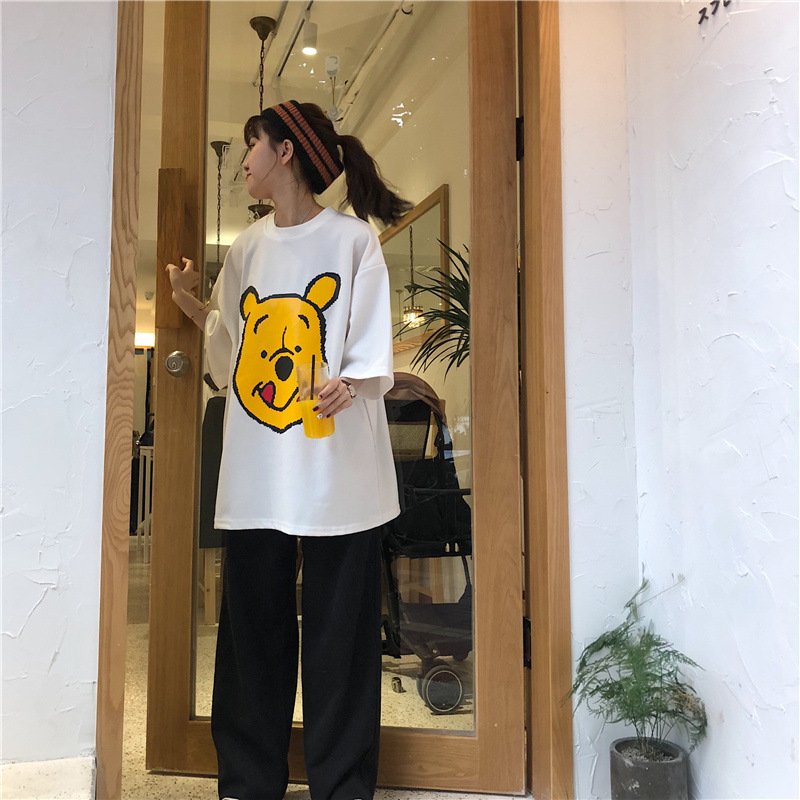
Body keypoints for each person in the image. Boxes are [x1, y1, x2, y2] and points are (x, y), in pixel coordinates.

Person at [166, 99, 414, 800]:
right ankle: (248, 783)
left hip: (336, 467)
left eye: (253, 143)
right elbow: (231, 346)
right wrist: (187, 301)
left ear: (286, 153)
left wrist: (351, 382)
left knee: (341, 634)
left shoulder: (354, 242)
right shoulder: (247, 248)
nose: (244, 158)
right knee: (253, 629)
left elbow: (370, 347)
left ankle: (342, 786)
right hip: (261, 469)